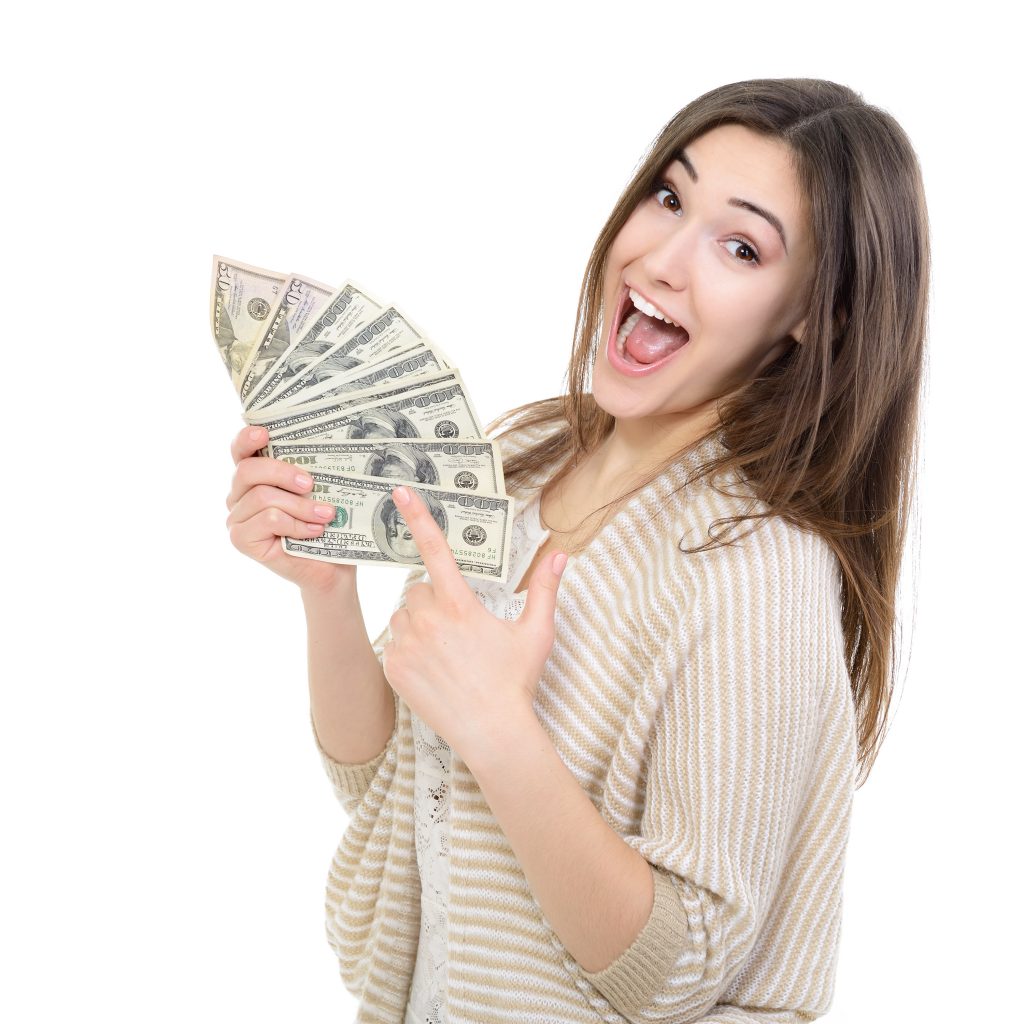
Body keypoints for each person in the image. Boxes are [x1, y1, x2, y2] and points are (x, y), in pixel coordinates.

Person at [224, 77, 929, 1023]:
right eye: (669, 196)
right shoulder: (523, 456)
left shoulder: (758, 576)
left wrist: (500, 728)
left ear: (815, 315)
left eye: (741, 247)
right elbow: (386, 791)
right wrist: (327, 592)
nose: (662, 260)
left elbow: (681, 971)